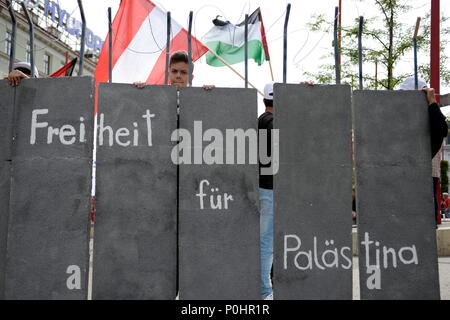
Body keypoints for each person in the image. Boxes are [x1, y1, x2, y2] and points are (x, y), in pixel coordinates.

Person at [399, 76, 448, 225]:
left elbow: (441, 129)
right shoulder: (403, 115)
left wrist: (432, 103)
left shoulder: (428, 115)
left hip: (423, 175)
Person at [258, 82, 275, 300]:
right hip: (268, 190)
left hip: (267, 189)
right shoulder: (268, 121)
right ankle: (264, 290)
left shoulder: (264, 119)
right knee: (267, 242)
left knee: (268, 241)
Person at [134, 50, 214, 90]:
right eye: (174, 71)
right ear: (169, 73)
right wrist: (136, 92)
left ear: (191, 77)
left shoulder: (199, 98)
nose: (178, 76)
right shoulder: (155, 97)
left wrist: (213, 95)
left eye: (183, 72)